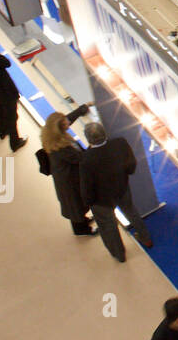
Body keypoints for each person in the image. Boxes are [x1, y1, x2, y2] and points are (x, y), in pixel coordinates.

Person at [79, 120, 152, 262]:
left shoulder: (86, 160)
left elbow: (86, 185)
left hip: (101, 200)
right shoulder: (120, 143)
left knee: (108, 227)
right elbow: (131, 165)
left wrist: (88, 201)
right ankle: (146, 238)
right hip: (121, 189)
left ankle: (119, 254)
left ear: (88, 139)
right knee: (132, 212)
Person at [38, 105, 93, 235]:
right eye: (65, 123)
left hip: (67, 179)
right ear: (61, 129)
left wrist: (81, 109)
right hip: (70, 181)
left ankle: (82, 221)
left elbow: (67, 119)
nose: (68, 122)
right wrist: (95, 144)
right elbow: (80, 158)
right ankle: (82, 229)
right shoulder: (61, 148)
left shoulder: (51, 136)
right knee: (76, 206)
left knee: (75, 206)